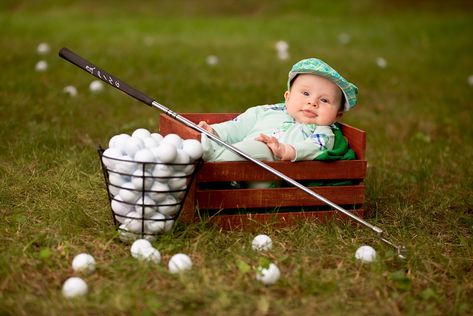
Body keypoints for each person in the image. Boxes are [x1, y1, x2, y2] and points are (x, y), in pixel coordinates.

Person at [198, 57, 358, 164]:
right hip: (240, 167)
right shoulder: (269, 111)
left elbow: (312, 148)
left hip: (270, 173)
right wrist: (214, 130)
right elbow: (239, 126)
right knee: (242, 146)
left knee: (257, 148)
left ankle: (208, 161)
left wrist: (286, 150)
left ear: (337, 115)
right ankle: (208, 152)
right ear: (287, 97)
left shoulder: (323, 133)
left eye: (324, 100)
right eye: (306, 93)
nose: (312, 102)